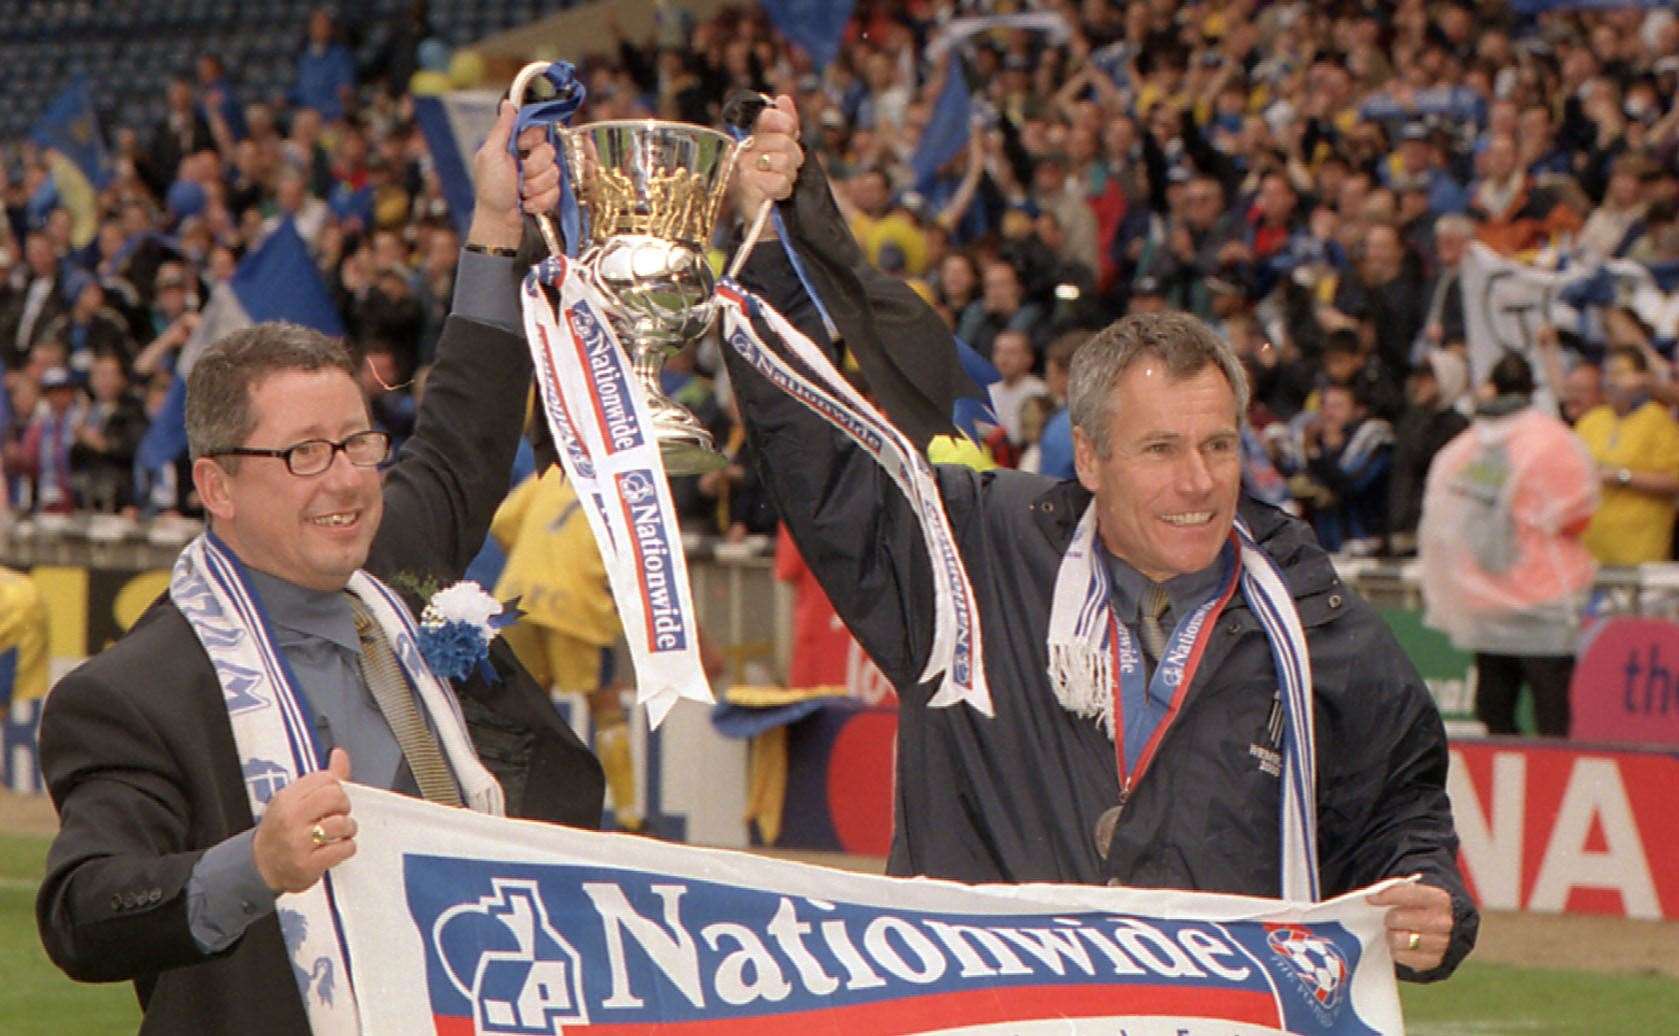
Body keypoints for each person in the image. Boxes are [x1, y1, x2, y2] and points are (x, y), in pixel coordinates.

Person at [726, 98, 1476, 981]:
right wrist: (769, 245)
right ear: (1087, 455)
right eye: (1159, 450)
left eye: (1218, 445)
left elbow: (1397, 805)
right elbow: (820, 461)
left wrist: (1432, 899)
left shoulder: (1306, 611)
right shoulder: (968, 561)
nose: (1197, 483)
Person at [35, 103, 604, 1032]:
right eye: (303, 453)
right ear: (215, 483)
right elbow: (83, 913)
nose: (345, 480)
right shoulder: (134, 693)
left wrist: (497, 226)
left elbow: (464, 422)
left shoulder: (388, 560)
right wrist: (255, 864)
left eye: (356, 441)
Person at [1419, 355, 1597, 738]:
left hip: (1494, 599)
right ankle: (1547, 783)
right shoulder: (1555, 442)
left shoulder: (1465, 449)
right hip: (1541, 595)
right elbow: (1580, 513)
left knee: (1494, 708)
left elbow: (1445, 520)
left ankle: (1522, 778)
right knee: (1550, 713)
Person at [1574, 346, 1679, 566]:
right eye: (1608, 373)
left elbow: (1674, 481)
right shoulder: (1591, 420)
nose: (1611, 381)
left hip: (1641, 555)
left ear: (1640, 379)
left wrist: (1620, 476)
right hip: (1591, 554)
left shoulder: (1659, 421)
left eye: (1620, 373)